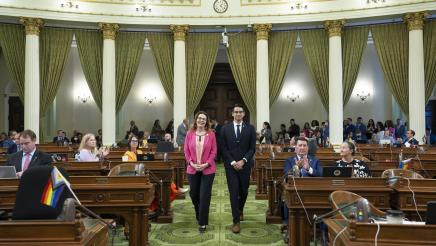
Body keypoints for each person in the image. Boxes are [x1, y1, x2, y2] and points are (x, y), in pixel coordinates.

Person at [220, 104, 256, 234]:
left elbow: (252, 148)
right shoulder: (225, 129)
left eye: (240, 112)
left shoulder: (250, 129)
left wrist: (243, 160)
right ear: (232, 114)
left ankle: (240, 209)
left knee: (244, 190)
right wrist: (233, 162)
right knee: (234, 192)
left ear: (244, 114)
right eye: (236, 112)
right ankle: (236, 221)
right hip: (231, 167)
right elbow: (223, 148)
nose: (238, 114)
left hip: (245, 165)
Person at [184, 111, 217, 233]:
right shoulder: (189, 134)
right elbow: (186, 150)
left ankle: (202, 222)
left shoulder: (211, 134)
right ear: (196, 120)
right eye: (199, 118)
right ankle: (199, 213)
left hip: (207, 169)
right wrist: (191, 162)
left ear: (206, 121)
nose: (201, 120)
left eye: (204, 119)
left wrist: (206, 164)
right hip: (192, 168)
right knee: (194, 195)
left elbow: (214, 151)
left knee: (204, 196)